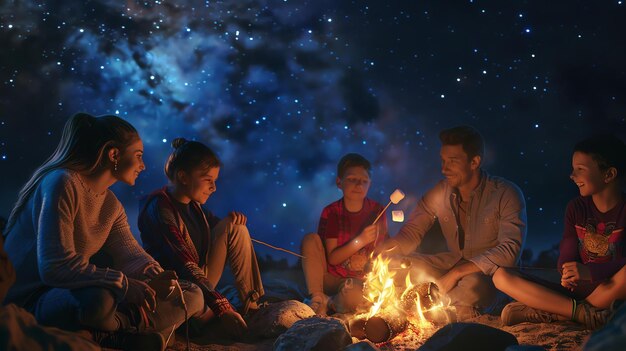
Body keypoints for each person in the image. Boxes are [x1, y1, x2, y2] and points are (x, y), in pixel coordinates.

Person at [2, 113, 205, 350]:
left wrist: (156, 276)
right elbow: (55, 266)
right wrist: (125, 285)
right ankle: (116, 331)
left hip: (72, 294)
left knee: (192, 294)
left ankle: (110, 332)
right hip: (33, 300)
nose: (143, 166)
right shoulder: (61, 182)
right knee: (100, 298)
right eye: (138, 156)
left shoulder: (110, 204)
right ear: (114, 154)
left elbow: (130, 255)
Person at [376, 125, 527, 320]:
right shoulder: (440, 192)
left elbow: (509, 252)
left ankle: (433, 307)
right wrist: (388, 250)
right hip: (450, 263)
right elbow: (413, 232)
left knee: (473, 287)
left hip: (487, 274)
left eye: (452, 161)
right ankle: (427, 303)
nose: (444, 169)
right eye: (443, 160)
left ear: (474, 162)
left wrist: (456, 273)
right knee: (394, 265)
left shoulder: (506, 193)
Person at [493, 135, 626, 330]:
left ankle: (557, 311)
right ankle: (581, 313)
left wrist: (590, 272)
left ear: (609, 174)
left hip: (609, 289)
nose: (572, 176)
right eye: (573, 169)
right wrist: (566, 270)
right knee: (501, 276)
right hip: (576, 290)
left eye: (580, 169)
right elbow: (567, 248)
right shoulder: (576, 208)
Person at [138, 138, 264, 338]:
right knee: (207, 314)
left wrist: (231, 222)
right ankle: (198, 319)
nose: (214, 187)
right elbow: (184, 264)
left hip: (200, 279)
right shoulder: (160, 208)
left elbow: (222, 232)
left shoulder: (195, 208)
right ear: (183, 177)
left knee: (236, 227)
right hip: (177, 285)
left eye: (215, 181)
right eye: (208, 180)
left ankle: (252, 304)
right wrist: (222, 307)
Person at [301, 153, 388, 316]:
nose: (358, 185)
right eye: (352, 179)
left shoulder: (378, 211)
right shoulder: (332, 212)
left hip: (357, 281)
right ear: (339, 182)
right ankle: (317, 296)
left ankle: (331, 303)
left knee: (354, 296)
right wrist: (360, 240)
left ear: (370, 184)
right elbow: (333, 258)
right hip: (330, 276)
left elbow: (380, 252)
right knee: (310, 240)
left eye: (364, 181)